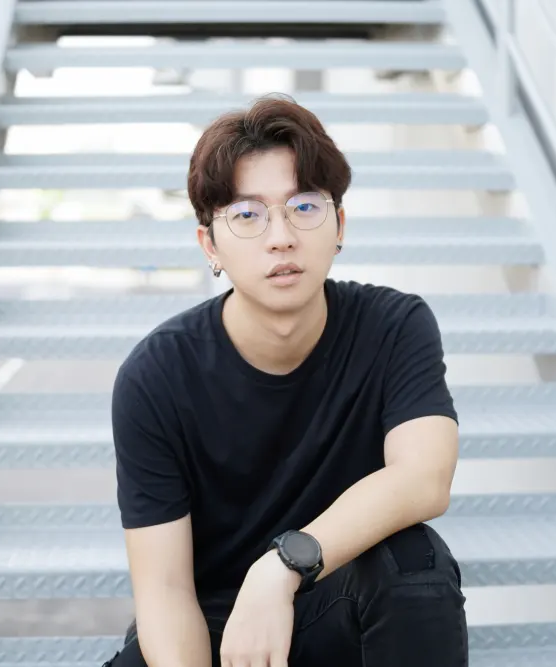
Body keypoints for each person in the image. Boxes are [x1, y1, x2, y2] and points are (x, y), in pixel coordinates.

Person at [106, 94, 469, 667]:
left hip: (333, 607)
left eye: (304, 207)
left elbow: (424, 478)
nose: (281, 237)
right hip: (211, 632)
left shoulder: (394, 326)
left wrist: (282, 566)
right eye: (248, 215)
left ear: (339, 225)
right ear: (211, 246)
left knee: (415, 560)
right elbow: (165, 592)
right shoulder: (156, 377)